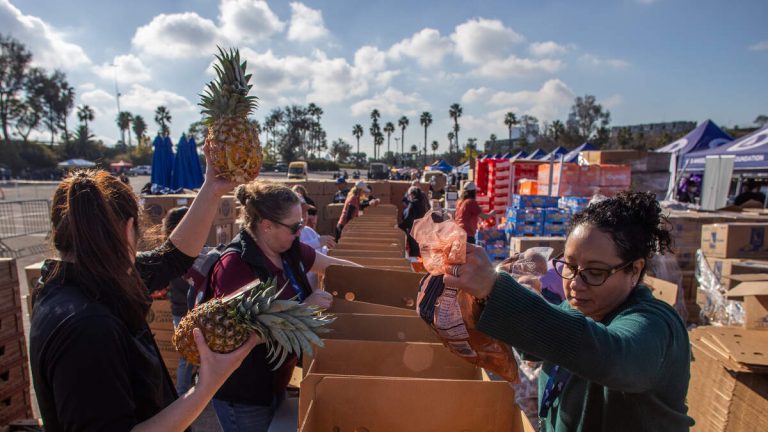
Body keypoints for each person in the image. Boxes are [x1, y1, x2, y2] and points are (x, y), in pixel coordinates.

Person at [29, 146, 261, 431]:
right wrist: (206, 387)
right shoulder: (89, 328)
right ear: (129, 229)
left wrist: (212, 188)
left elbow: (173, 258)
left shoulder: (72, 282)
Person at [444, 192, 694, 431]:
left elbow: (610, 354)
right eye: (570, 267)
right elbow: (536, 347)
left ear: (635, 270)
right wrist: (500, 300)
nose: (575, 282)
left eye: (595, 272)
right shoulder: (580, 308)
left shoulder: (656, 325)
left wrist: (498, 290)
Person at [209, 181, 360, 432]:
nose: (301, 230)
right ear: (267, 226)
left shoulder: (286, 248)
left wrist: (382, 279)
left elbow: (332, 265)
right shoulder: (235, 266)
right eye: (295, 226)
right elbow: (239, 334)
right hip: (245, 392)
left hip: (276, 380)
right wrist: (302, 308)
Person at [162, 207, 196, 396]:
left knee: (188, 356)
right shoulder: (178, 254)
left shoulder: (172, 250)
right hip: (184, 311)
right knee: (187, 357)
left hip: (182, 310)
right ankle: (181, 394)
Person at [399, 186, 429, 257]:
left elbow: (408, 219)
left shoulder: (413, 204)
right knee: (419, 251)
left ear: (412, 195)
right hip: (421, 230)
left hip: (413, 231)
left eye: (409, 195)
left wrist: (400, 226)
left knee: (414, 251)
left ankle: (415, 266)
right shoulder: (422, 202)